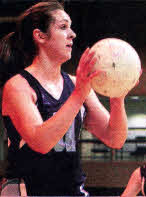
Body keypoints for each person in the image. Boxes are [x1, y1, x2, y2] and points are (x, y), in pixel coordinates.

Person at [0, 1, 132, 196]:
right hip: (27, 190)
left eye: (71, 27)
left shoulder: (76, 84)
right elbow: (41, 142)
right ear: (40, 36)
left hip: (71, 190)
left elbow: (115, 138)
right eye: (63, 27)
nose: (72, 34)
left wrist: (117, 97)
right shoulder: (18, 86)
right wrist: (79, 95)